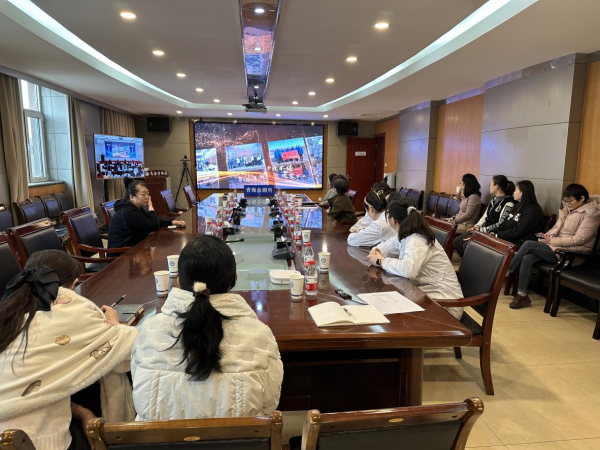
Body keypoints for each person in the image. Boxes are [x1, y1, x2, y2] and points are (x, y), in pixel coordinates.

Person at [132, 236, 283, 420]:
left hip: (158, 438)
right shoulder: (260, 334)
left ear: (179, 282)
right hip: (243, 437)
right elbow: (270, 404)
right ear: (234, 279)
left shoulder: (149, 331)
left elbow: (139, 395)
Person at [0, 250, 138, 450]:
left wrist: (80, 411)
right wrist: (114, 324)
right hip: (41, 442)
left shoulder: (8, 311)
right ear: (73, 285)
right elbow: (129, 350)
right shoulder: (69, 308)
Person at [368, 198, 464, 320]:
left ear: (393, 220)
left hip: (444, 304)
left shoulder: (417, 239)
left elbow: (408, 270)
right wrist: (377, 250)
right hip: (424, 294)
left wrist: (381, 261)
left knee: (390, 316)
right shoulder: (405, 234)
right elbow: (388, 246)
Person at [508, 184, 600, 309]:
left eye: (570, 201)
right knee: (527, 258)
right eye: (565, 201)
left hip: (571, 254)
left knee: (528, 244)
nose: (567, 204)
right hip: (557, 248)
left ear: (582, 198)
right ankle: (522, 295)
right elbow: (556, 228)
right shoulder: (568, 210)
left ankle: (508, 270)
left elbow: (580, 239)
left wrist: (553, 241)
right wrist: (547, 235)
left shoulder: (591, 214)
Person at [108, 178, 186, 250]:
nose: (147, 197)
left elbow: (153, 221)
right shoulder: (128, 212)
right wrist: (150, 207)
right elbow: (154, 226)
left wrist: (172, 222)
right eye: (143, 194)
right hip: (122, 254)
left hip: (135, 249)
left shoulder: (136, 208)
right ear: (132, 197)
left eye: (148, 194)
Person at [453, 175, 515, 257]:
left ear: (496, 186)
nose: (489, 186)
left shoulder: (509, 203)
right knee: (457, 241)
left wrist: (481, 229)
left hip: (493, 233)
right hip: (483, 230)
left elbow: (500, 224)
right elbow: (484, 217)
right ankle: (468, 262)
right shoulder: (493, 200)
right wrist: (476, 226)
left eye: (491, 184)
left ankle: (473, 263)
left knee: (466, 245)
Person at [491, 180, 546, 245]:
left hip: (520, 244)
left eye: (516, 190)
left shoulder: (533, 210)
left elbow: (518, 231)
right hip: (508, 240)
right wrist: (493, 232)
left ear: (523, 192)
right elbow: (504, 224)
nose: (513, 193)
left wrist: (498, 235)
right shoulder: (517, 206)